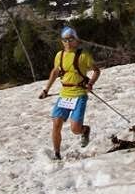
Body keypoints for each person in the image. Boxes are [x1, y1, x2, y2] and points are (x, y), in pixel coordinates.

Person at [38, 26, 100, 160]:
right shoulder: (59, 55)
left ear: (76, 40)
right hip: (64, 95)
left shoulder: (83, 55)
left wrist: (90, 84)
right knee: (56, 124)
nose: (67, 42)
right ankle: (57, 154)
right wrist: (46, 90)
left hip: (79, 94)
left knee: (75, 129)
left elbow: (96, 70)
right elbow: (55, 72)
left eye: (71, 39)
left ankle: (84, 130)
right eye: (64, 40)